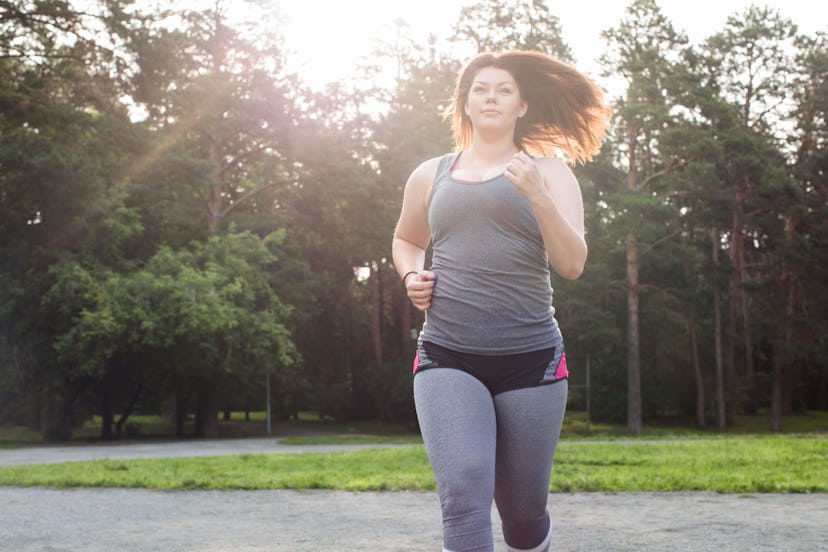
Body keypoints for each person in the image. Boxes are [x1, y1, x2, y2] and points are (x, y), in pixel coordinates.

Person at [391, 50, 609, 552]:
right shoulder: (431, 174)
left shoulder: (550, 173)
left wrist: (537, 195)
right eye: (480, 89)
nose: (490, 96)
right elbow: (405, 239)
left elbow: (573, 263)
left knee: (523, 517)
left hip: (531, 362)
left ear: (522, 106)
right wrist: (411, 274)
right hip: (447, 354)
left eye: (503, 89)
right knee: (464, 495)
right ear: (465, 104)